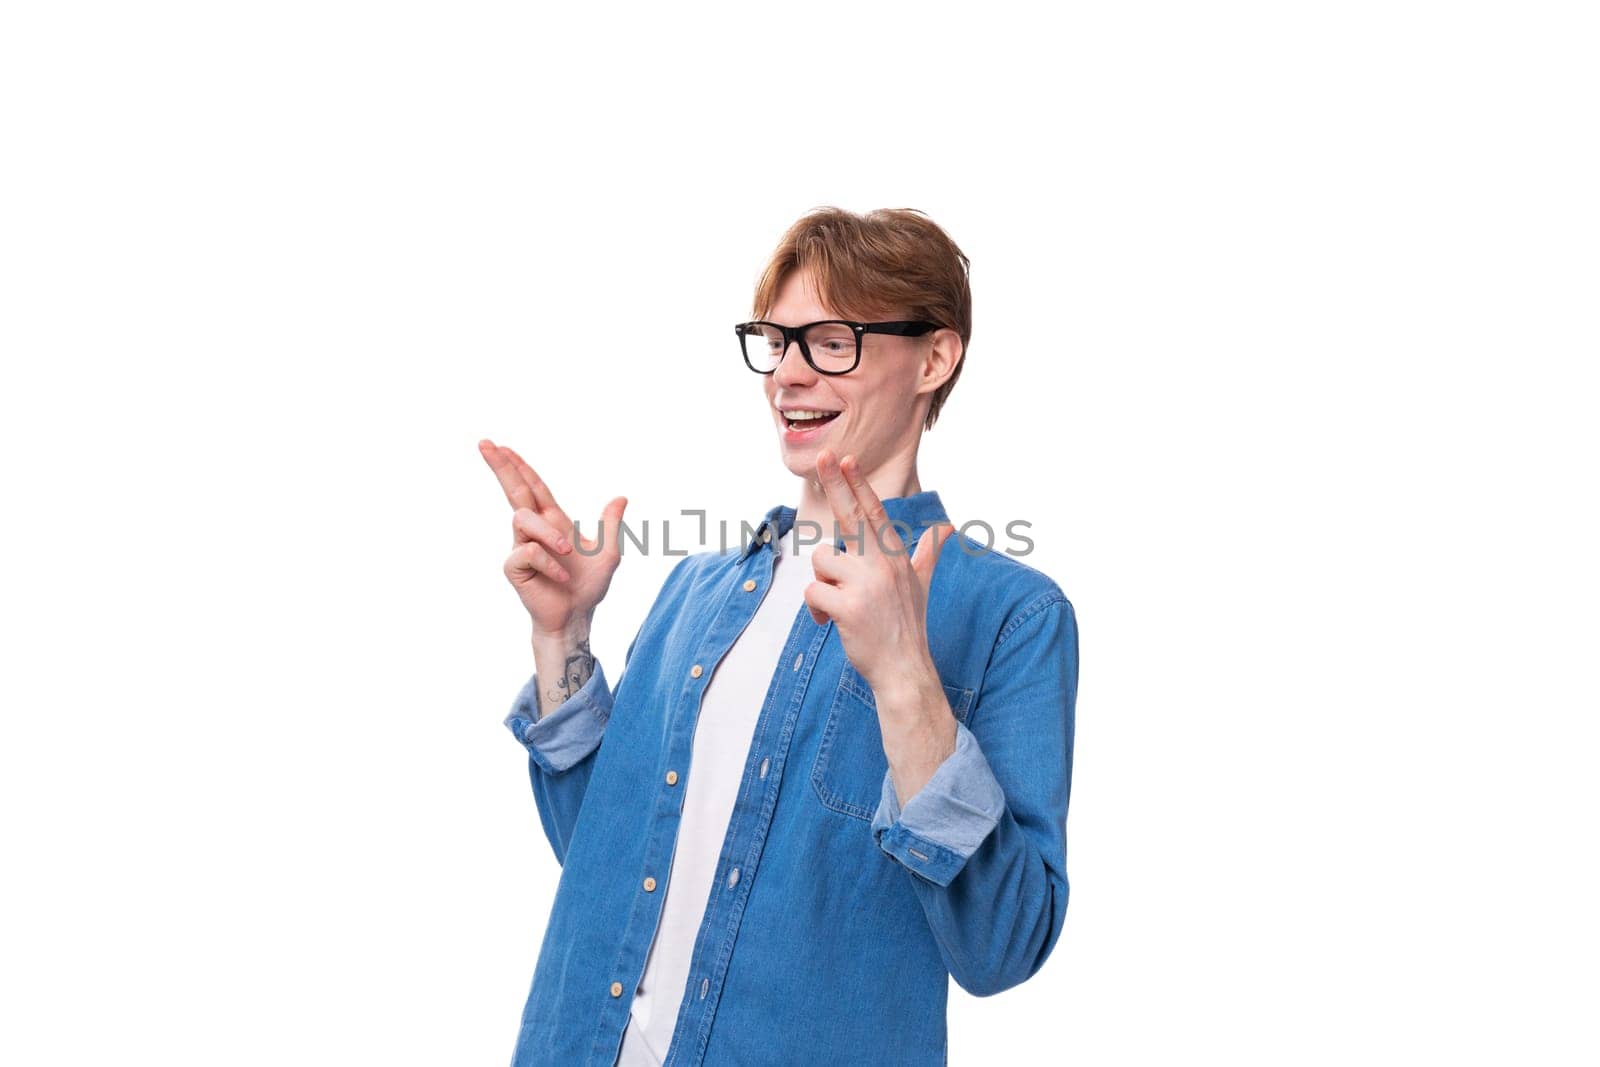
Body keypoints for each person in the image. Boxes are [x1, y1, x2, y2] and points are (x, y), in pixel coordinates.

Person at [478, 207, 1079, 1066]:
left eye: (833, 340)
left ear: (935, 358)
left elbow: (1001, 946)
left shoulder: (1012, 615)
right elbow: (604, 867)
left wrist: (906, 679)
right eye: (778, 340)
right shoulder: (693, 591)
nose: (789, 376)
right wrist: (564, 638)